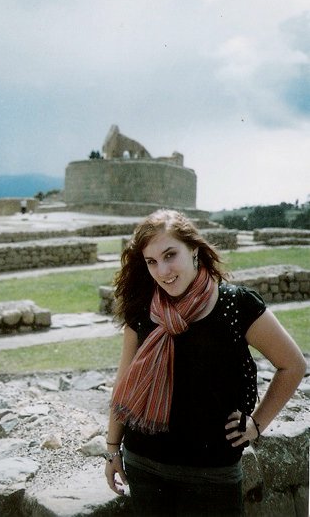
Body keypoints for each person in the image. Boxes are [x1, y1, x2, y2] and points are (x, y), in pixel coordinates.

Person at [104, 209, 306, 517]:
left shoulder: (236, 305)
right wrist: (110, 449)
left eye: (170, 255)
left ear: (194, 249)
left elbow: (292, 365)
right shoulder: (142, 311)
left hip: (213, 475)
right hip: (144, 466)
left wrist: (257, 423)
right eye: (151, 261)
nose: (163, 271)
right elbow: (123, 386)